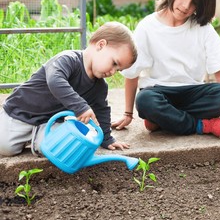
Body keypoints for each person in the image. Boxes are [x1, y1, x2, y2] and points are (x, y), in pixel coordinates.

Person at [112, 0, 220, 137]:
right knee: (145, 101)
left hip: (193, 93)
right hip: (159, 92)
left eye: (195, 1)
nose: (186, 5)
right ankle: (199, 125)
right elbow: (132, 74)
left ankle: (165, 120)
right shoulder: (147, 27)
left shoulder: (203, 28)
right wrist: (128, 114)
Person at [0, 21, 137, 157]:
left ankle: (36, 138)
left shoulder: (100, 86)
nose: (113, 72)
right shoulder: (68, 60)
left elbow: (102, 110)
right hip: (20, 112)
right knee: (5, 148)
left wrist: (107, 138)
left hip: (50, 121)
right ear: (101, 45)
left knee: (57, 148)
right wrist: (81, 107)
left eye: (118, 70)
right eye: (114, 63)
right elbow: (55, 81)